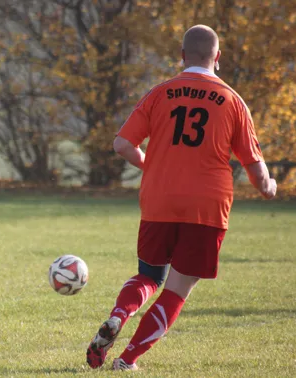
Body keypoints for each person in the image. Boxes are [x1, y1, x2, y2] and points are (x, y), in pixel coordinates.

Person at [86, 25, 276, 371]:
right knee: (177, 288)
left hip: (159, 200)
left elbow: (122, 144)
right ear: (217, 57)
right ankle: (126, 361)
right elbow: (256, 171)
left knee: (149, 276)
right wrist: (270, 187)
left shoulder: (160, 93)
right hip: (206, 208)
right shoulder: (232, 100)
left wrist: (150, 165)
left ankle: (117, 315)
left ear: (181, 54)